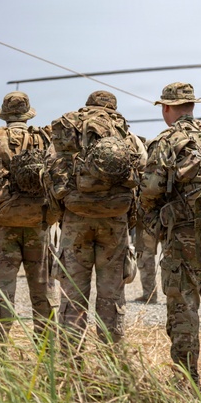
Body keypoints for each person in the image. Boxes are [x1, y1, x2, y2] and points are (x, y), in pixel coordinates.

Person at [140, 82, 201, 383]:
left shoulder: (166, 140)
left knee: (183, 309)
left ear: (166, 108)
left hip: (183, 237)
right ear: (192, 106)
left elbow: (151, 189)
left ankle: (186, 379)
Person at [47, 90, 145, 344]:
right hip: (115, 220)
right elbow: (142, 168)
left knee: (73, 294)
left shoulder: (70, 133)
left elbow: (49, 171)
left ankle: (71, 363)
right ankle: (110, 362)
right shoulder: (126, 135)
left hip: (76, 219)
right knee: (111, 295)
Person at [0, 91, 56, 342]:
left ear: (4, 115)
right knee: (42, 289)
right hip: (38, 223)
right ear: (27, 114)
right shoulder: (45, 140)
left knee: (3, 292)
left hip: (2, 225)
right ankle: (46, 350)